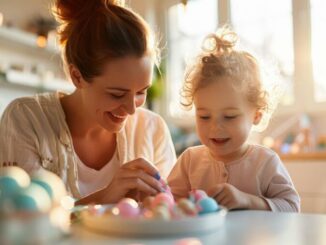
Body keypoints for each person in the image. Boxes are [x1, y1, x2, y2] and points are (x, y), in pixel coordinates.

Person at [0, 0, 176, 205]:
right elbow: (25, 221)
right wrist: (106, 196)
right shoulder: (26, 120)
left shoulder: (153, 129)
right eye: (117, 94)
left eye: (141, 92)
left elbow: (173, 212)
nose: (131, 109)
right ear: (77, 76)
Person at [167, 27, 300, 212]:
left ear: (256, 115)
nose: (215, 127)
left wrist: (247, 201)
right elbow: (166, 203)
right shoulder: (189, 161)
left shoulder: (265, 162)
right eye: (204, 116)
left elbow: (292, 207)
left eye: (229, 117)